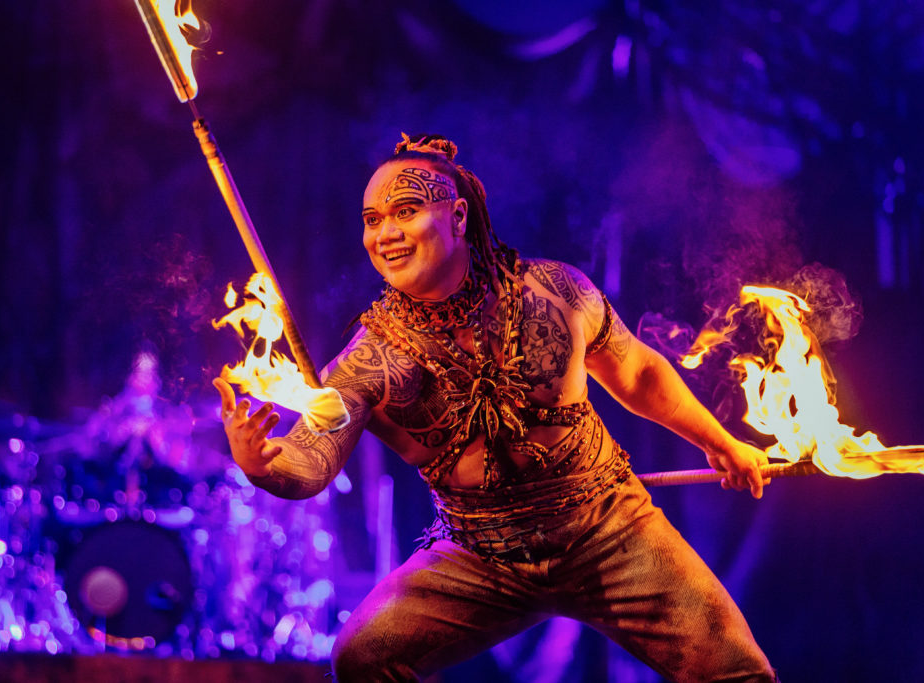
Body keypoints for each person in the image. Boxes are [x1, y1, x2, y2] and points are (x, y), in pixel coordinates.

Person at [214, 133, 777, 681]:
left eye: (405, 211)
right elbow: (311, 458)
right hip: (479, 556)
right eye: (372, 219)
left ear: (458, 217)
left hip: (609, 527)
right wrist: (264, 464)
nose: (385, 234)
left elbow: (639, 373)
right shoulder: (367, 362)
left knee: (738, 672)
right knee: (362, 658)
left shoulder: (556, 292)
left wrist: (720, 442)